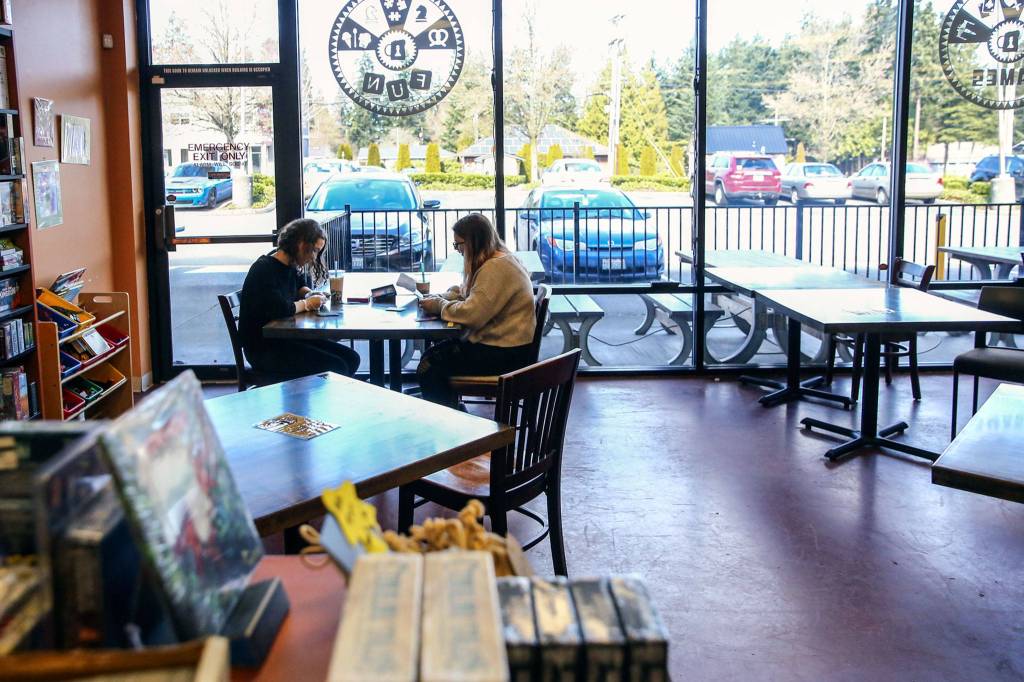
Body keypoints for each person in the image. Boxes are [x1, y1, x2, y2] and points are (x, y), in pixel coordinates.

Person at [417, 213, 535, 406]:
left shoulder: (495, 268)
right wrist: (445, 298)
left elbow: (472, 314)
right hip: (512, 349)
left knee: (428, 367)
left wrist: (439, 306)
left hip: (503, 355)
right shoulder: (501, 259)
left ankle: (453, 425)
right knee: (432, 358)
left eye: (459, 245)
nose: (458, 250)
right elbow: (474, 295)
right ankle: (454, 414)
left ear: (473, 242)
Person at [238, 218, 360, 379]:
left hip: (284, 340)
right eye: (314, 250)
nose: (314, 257)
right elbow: (281, 308)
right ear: (301, 244)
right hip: (263, 348)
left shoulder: (289, 265)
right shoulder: (264, 269)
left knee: (352, 359)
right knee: (337, 366)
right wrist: (307, 304)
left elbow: (299, 287)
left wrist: (312, 294)